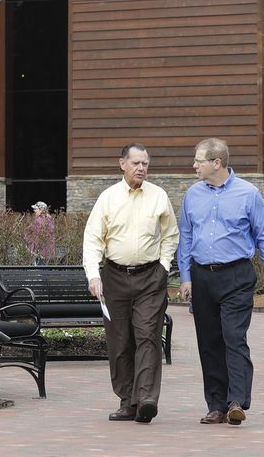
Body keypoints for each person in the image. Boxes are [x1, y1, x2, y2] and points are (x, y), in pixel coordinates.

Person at [178, 137, 264, 426]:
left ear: (217, 163)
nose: (194, 165)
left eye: (199, 160)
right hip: (202, 275)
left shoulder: (248, 194)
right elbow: (185, 237)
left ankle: (237, 401)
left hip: (236, 274)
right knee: (209, 342)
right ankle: (216, 405)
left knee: (234, 338)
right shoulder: (192, 195)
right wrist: (185, 277)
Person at [83, 143, 179, 424]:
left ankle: (147, 398)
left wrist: (163, 265)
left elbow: (170, 234)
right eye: (136, 163)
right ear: (122, 164)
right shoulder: (108, 198)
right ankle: (128, 401)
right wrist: (93, 275)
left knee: (148, 335)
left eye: (145, 163)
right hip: (115, 278)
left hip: (150, 277)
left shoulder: (158, 196)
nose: (141, 168)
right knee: (120, 340)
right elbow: (93, 239)